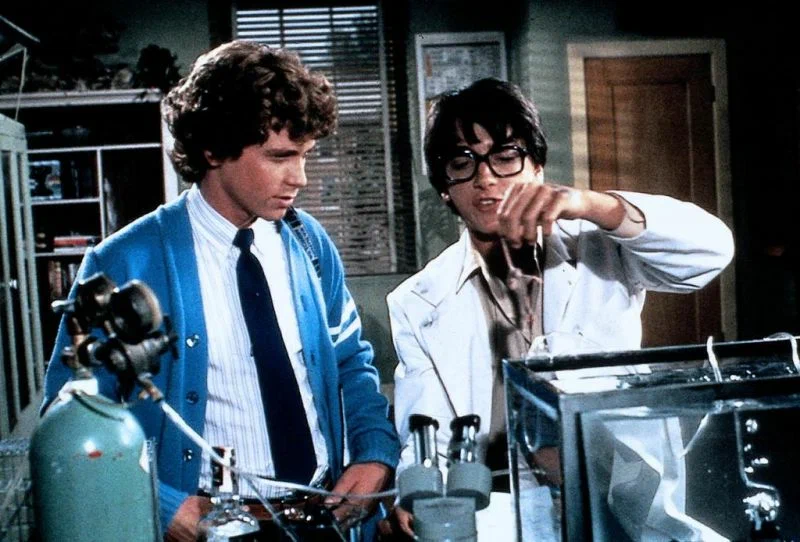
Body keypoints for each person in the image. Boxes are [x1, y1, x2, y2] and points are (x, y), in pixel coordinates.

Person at [42, 40, 400, 541]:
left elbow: (351, 364)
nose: (300, 177)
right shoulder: (124, 261)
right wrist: (160, 503)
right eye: (280, 157)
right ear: (212, 149)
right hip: (213, 528)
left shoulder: (309, 243)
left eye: (305, 156)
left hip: (323, 515)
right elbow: (71, 418)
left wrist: (374, 453)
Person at [384, 78, 734, 538]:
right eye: (462, 163)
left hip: (613, 496)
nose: (486, 178)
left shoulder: (599, 249)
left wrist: (592, 205)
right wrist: (413, 495)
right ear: (445, 188)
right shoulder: (417, 301)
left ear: (537, 166)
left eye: (505, 156)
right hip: (497, 508)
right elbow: (426, 429)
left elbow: (709, 252)